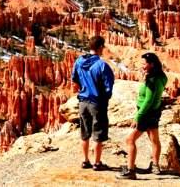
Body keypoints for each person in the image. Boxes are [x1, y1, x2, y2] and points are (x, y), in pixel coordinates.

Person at [117, 52, 168, 180]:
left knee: (130, 140)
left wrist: (138, 116)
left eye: (144, 64)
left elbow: (148, 100)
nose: (142, 66)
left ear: (151, 64)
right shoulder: (162, 76)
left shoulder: (152, 80)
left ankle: (130, 170)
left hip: (146, 113)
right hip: (155, 112)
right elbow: (156, 97)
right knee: (154, 140)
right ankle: (155, 166)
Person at [72, 36, 114, 171]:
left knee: (84, 133)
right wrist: (104, 98)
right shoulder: (102, 65)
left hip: (82, 102)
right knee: (98, 134)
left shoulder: (79, 61)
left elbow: (74, 78)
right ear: (100, 47)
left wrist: (84, 88)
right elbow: (109, 87)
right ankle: (97, 163)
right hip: (97, 103)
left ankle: (85, 161)